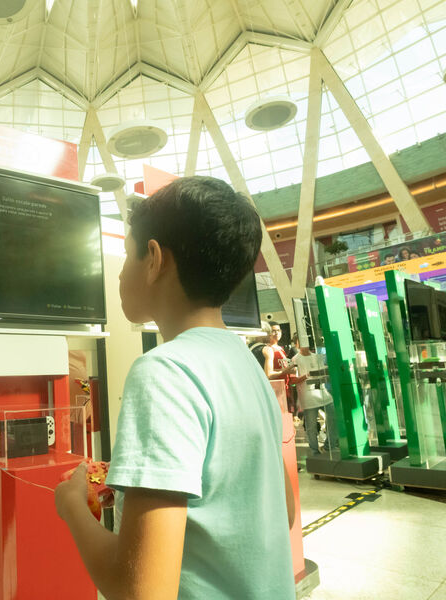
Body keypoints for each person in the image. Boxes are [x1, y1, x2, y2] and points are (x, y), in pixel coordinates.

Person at [55, 176, 295, 599]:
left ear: (153, 259)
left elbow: (140, 591)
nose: (120, 272)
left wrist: (73, 507)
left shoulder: (164, 373)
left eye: (127, 254)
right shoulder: (246, 364)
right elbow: (284, 510)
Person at [290, 345, 335, 454]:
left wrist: (325, 373)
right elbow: (293, 380)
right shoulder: (295, 359)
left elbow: (324, 374)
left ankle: (329, 445)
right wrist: (307, 375)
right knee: (311, 427)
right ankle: (314, 450)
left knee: (334, 417)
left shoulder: (317, 357)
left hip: (323, 393)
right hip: (308, 396)